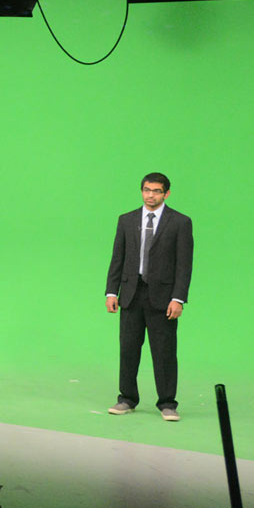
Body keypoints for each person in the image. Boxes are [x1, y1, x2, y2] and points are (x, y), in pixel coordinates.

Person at [105, 172, 193, 422]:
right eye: (146, 190)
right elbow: (117, 258)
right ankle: (127, 399)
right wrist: (112, 291)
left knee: (164, 351)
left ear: (166, 193)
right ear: (141, 191)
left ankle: (167, 403)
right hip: (131, 294)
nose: (150, 195)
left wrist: (179, 298)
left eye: (156, 191)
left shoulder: (180, 222)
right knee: (128, 348)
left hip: (163, 297)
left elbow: (184, 265)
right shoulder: (126, 220)